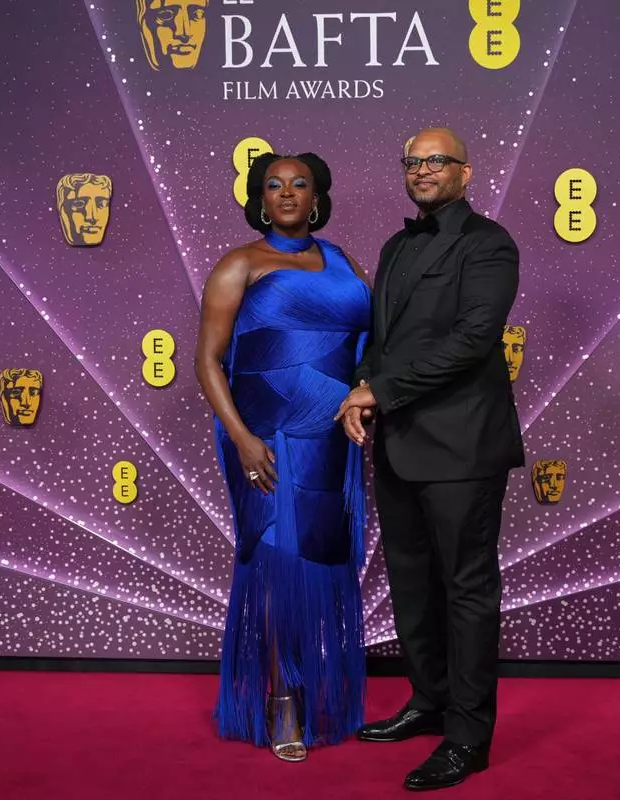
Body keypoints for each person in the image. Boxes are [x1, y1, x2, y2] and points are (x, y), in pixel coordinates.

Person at [335, 127, 524, 791]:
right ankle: (429, 701)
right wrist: (364, 387)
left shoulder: (488, 243)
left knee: (466, 593)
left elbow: (474, 341)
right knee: (413, 587)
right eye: (412, 161)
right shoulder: (395, 245)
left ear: (466, 172)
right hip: (399, 444)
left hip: (463, 446)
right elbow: (384, 343)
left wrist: (377, 390)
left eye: (435, 161)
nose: (421, 170)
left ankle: (468, 739)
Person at [195, 152, 371, 762]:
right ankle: (282, 701)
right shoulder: (238, 264)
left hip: (330, 436)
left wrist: (365, 393)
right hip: (264, 437)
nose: (288, 193)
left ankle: (318, 687)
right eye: (275, 185)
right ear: (259, 198)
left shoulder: (346, 263)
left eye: (300, 184)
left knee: (320, 556)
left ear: (318, 195)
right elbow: (207, 362)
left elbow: (369, 345)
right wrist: (243, 438)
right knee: (274, 561)